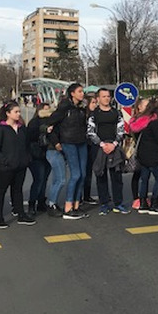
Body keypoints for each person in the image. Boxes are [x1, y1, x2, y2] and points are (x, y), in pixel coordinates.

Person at [43, 82, 89, 218]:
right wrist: (56, 142)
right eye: (79, 91)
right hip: (69, 142)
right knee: (75, 174)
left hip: (81, 142)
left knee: (83, 174)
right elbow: (50, 124)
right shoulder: (64, 107)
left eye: (82, 91)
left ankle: (76, 204)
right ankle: (68, 207)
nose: (82, 94)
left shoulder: (81, 108)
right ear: (72, 93)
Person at [0, 102, 36, 228]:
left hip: (21, 164)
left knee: (17, 190)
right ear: (8, 113)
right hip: (6, 166)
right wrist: (4, 160)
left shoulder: (21, 128)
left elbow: (26, 145)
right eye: (16, 112)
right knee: (1, 191)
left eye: (19, 112)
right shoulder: (1, 129)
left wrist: (26, 158)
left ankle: (21, 214)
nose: (18, 114)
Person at [89, 88, 131, 215]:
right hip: (99, 148)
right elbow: (90, 132)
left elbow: (121, 130)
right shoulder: (93, 114)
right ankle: (104, 204)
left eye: (108, 96)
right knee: (101, 176)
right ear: (98, 99)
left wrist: (113, 144)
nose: (106, 98)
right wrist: (102, 144)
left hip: (114, 147)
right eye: (103, 96)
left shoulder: (116, 113)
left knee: (116, 177)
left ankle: (118, 203)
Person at [129, 97, 158, 215]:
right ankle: (154, 205)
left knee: (144, 179)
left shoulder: (140, 121)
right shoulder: (153, 121)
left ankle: (143, 204)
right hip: (152, 154)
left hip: (142, 154)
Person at [26, 102, 53, 214]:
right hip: (36, 154)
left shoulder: (50, 121)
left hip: (47, 152)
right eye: (45, 109)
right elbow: (31, 136)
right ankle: (32, 203)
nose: (48, 112)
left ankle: (41, 202)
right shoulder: (34, 122)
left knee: (44, 179)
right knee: (39, 179)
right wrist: (43, 130)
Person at [82, 93, 100, 206]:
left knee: (93, 170)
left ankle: (87, 195)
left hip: (95, 144)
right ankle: (83, 195)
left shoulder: (96, 114)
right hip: (86, 145)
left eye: (95, 102)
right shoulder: (84, 115)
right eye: (93, 102)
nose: (95, 105)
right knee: (85, 171)